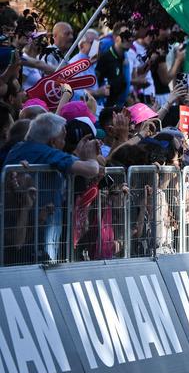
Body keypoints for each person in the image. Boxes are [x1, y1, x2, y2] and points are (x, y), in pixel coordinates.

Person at [5, 113, 101, 261]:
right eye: (63, 137)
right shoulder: (46, 153)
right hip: (32, 243)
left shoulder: (18, 148)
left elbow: (72, 162)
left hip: (19, 234)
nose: (64, 142)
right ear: (53, 141)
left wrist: (80, 155)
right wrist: (91, 157)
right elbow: (92, 170)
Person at [95, 24, 133, 108]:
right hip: (104, 110)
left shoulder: (124, 57)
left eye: (131, 35)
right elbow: (95, 83)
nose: (130, 39)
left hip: (119, 107)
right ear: (115, 37)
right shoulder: (105, 58)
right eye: (125, 35)